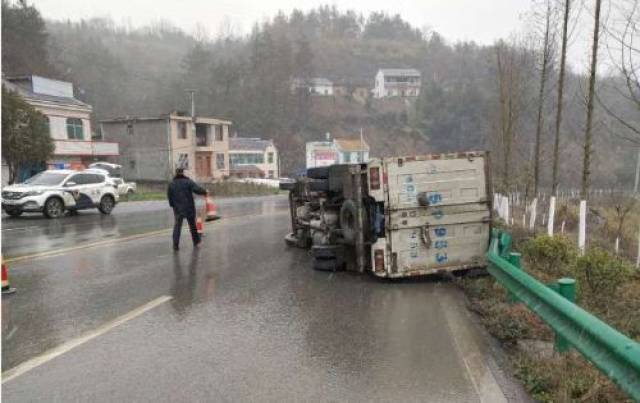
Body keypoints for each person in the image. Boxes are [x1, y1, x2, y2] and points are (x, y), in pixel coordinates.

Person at [167, 168, 207, 250]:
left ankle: (175, 244)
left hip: (178, 208)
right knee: (192, 225)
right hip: (189, 207)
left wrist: (172, 205)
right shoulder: (188, 182)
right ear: (183, 173)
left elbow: (169, 197)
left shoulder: (171, 184)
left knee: (177, 226)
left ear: (176, 173)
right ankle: (196, 241)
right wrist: (205, 191)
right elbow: (197, 189)